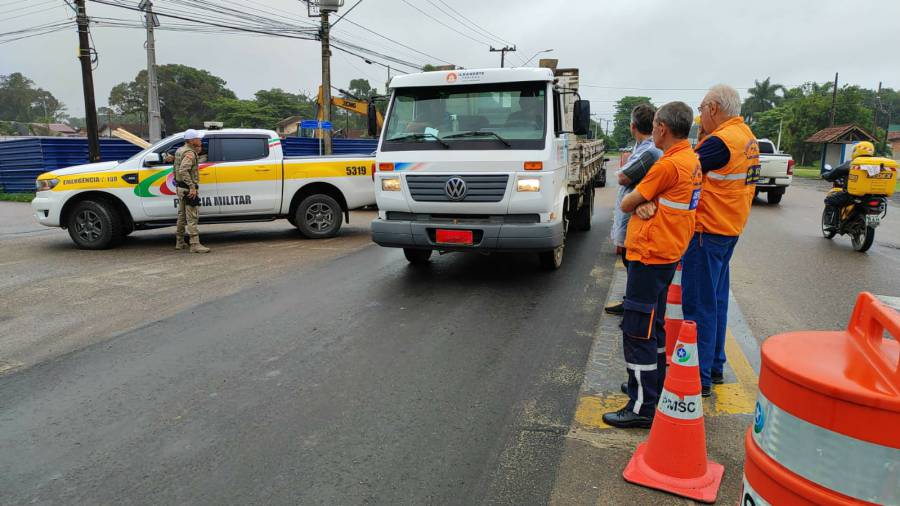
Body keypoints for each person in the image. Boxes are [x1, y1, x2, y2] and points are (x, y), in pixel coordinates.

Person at [602, 102, 703, 429]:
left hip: (650, 254)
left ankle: (642, 405)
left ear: (662, 128)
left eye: (657, 124)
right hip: (668, 251)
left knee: (637, 330)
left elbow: (628, 199)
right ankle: (648, 388)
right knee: (654, 327)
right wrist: (649, 202)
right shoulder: (691, 160)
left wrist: (641, 202)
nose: (654, 129)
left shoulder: (668, 165)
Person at [682, 85, 759, 396]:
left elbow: (683, 169)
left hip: (707, 230)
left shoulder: (720, 142)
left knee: (699, 305)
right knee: (716, 301)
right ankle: (714, 365)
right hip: (729, 229)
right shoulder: (747, 137)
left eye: (701, 110)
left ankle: (698, 378)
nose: (700, 117)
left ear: (713, 108)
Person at [606, 104, 663, 315]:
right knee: (629, 260)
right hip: (634, 211)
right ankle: (630, 302)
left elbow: (623, 177)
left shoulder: (649, 150)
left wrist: (623, 170)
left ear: (633, 126)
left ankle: (634, 308)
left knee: (633, 262)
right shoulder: (642, 148)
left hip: (637, 214)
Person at [821, 141, 876, 230]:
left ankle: (831, 224)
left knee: (830, 200)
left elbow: (836, 172)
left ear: (856, 151)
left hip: (852, 195)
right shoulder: (877, 164)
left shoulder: (852, 163)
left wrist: (826, 175)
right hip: (873, 196)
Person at [174, 129, 210, 253]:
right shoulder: (190, 153)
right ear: (191, 140)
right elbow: (183, 170)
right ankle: (195, 244)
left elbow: (176, 168)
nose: (200, 140)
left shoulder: (180, 150)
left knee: (182, 216)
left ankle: (179, 242)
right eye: (198, 139)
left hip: (180, 187)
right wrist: (192, 187)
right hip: (188, 189)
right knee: (192, 217)